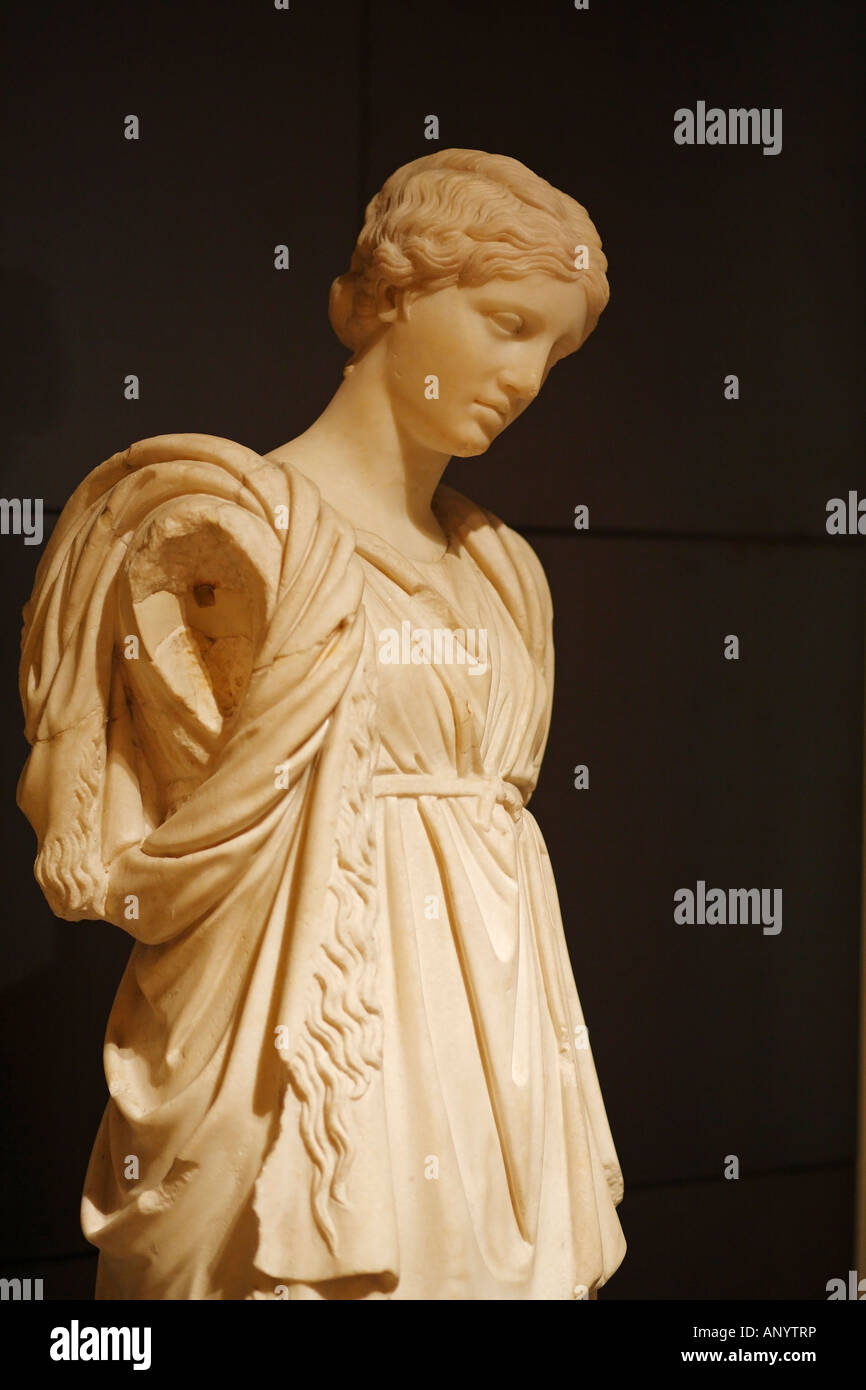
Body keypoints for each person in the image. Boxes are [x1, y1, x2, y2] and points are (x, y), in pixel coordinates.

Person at [18, 148, 626, 1299]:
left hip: (493, 1053)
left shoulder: (500, 574)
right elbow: (193, 840)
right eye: (504, 323)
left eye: (552, 349)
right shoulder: (223, 531)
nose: (527, 373)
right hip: (292, 1057)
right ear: (392, 294)